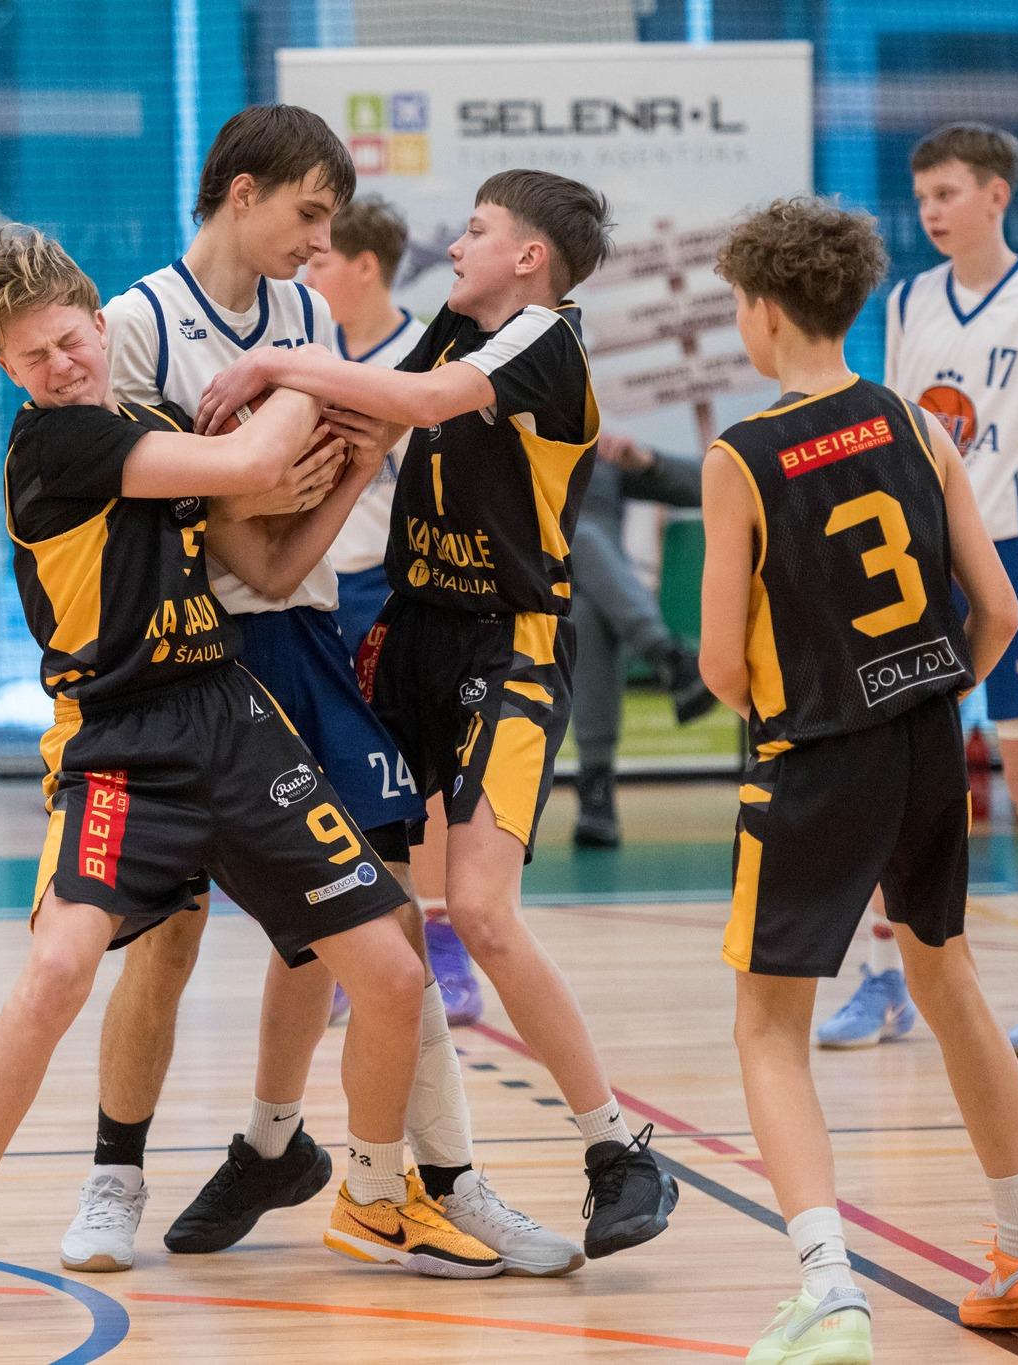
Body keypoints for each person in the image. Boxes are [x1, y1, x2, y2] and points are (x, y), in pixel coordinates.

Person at [0, 227, 498, 1334]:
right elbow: (250, 468)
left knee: (394, 977)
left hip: (229, 716)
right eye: (31, 357)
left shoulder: (151, 423)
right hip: (119, 740)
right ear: (6, 370)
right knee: (58, 969)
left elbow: (270, 565)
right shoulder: (56, 445)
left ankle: (370, 1193)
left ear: (95, 322)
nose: (59, 366)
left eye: (68, 341)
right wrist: (312, 364)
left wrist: (356, 462)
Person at [69, 108, 577, 1278]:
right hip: (178, 655)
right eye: (306, 214)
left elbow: (316, 490)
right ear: (240, 192)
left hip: (299, 629)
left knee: (375, 921)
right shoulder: (135, 324)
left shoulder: (302, 318)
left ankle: (411, 1177)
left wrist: (296, 486)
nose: (318, 242)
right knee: (169, 936)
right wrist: (250, 491)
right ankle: (116, 1176)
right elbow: (135, 502)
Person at [197, 168, 682, 1259]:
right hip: (409, 636)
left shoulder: (542, 339)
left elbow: (409, 407)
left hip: (507, 649)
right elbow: (378, 422)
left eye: (474, 230)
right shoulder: (457, 332)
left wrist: (270, 361)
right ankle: (279, 1146)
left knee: (481, 911)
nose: (453, 248)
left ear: (529, 258)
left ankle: (617, 1151)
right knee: (334, 906)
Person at [699, 195, 1018, 1365]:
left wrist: (813, 716)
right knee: (945, 975)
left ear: (764, 313)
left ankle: (827, 1288)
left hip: (814, 754)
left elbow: (719, 664)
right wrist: (921, 696)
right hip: (925, 741)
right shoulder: (916, 425)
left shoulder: (739, 456)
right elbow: (998, 611)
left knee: (767, 1028)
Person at [818, 122, 1018, 1057]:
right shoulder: (910, 300)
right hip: (919, 560)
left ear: (996, 195)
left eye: (946, 194)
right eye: (922, 198)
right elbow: (891, 432)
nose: (930, 212)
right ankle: (883, 978)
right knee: (890, 771)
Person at [305, 195, 485, 1027]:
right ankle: (367, 940)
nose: (308, 273)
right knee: (340, 774)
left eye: (321, 260)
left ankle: (442, 939)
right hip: (315, 586)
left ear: (366, 266)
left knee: (425, 774)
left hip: (399, 586)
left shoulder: (426, 362)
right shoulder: (308, 356)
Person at [568, 430, 714, 848]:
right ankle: (667, 655)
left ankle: (596, 787)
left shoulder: (599, 455)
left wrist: (649, 462)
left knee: (588, 609)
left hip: (592, 596)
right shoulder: (510, 450)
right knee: (576, 533)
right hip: (528, 585)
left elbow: (708, 485)